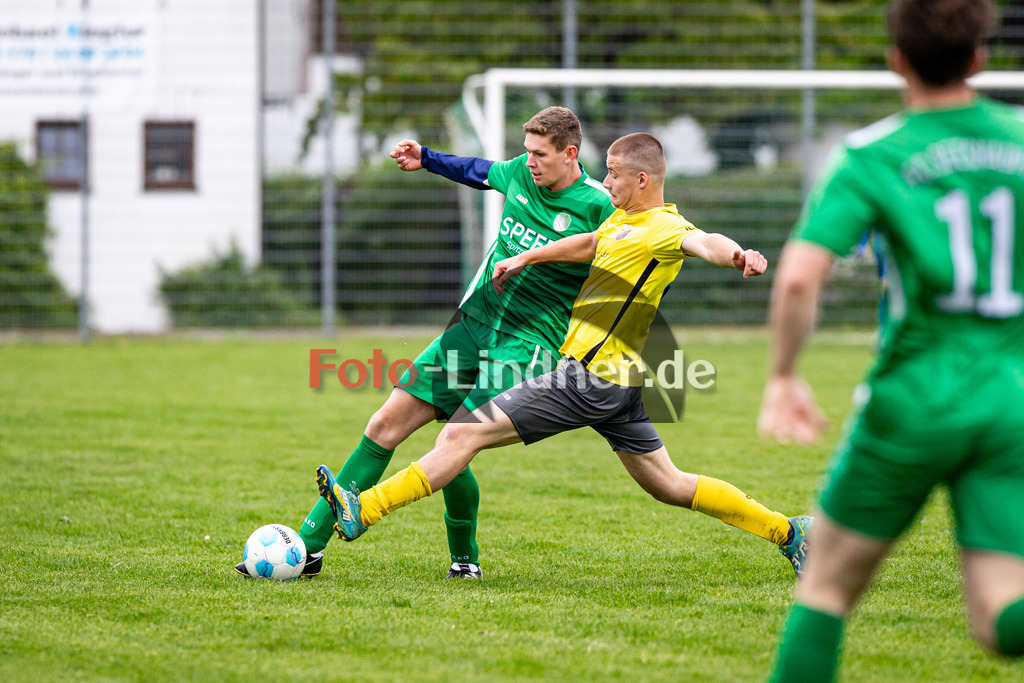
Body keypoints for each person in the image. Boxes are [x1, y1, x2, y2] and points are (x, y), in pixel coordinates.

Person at [315, 132, 811, 578]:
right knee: (671, 485)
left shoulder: (664, 227)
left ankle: (366, 509)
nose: (606, 182)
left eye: (614, 175)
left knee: (463, 433)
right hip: (618, 383)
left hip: (587, 381)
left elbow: (704, 242)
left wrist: (739, 254)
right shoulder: (623, 218)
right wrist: (529, 255)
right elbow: (590, 243)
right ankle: (791, 533)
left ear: (642, 180)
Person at [757, 0, 1024, 679]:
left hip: (915, 392)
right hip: (1011, 397)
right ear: (980, 57)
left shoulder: (873, 154)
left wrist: (784, 375)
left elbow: (797, 280)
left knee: (824, 586)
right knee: (1000, 615)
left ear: (896, 58)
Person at [235, 107, 615, 580]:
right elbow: (480, 172)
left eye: (540, 154)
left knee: (454, 441)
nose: (529, 161)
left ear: (570, 153)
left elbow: (626, 249)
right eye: (527, 151)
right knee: (385, 423)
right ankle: (308, 548)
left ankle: (464, 559)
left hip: (527, 345)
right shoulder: (520, 173)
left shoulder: (600, 204)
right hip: (470, 327)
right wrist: (427, 158)